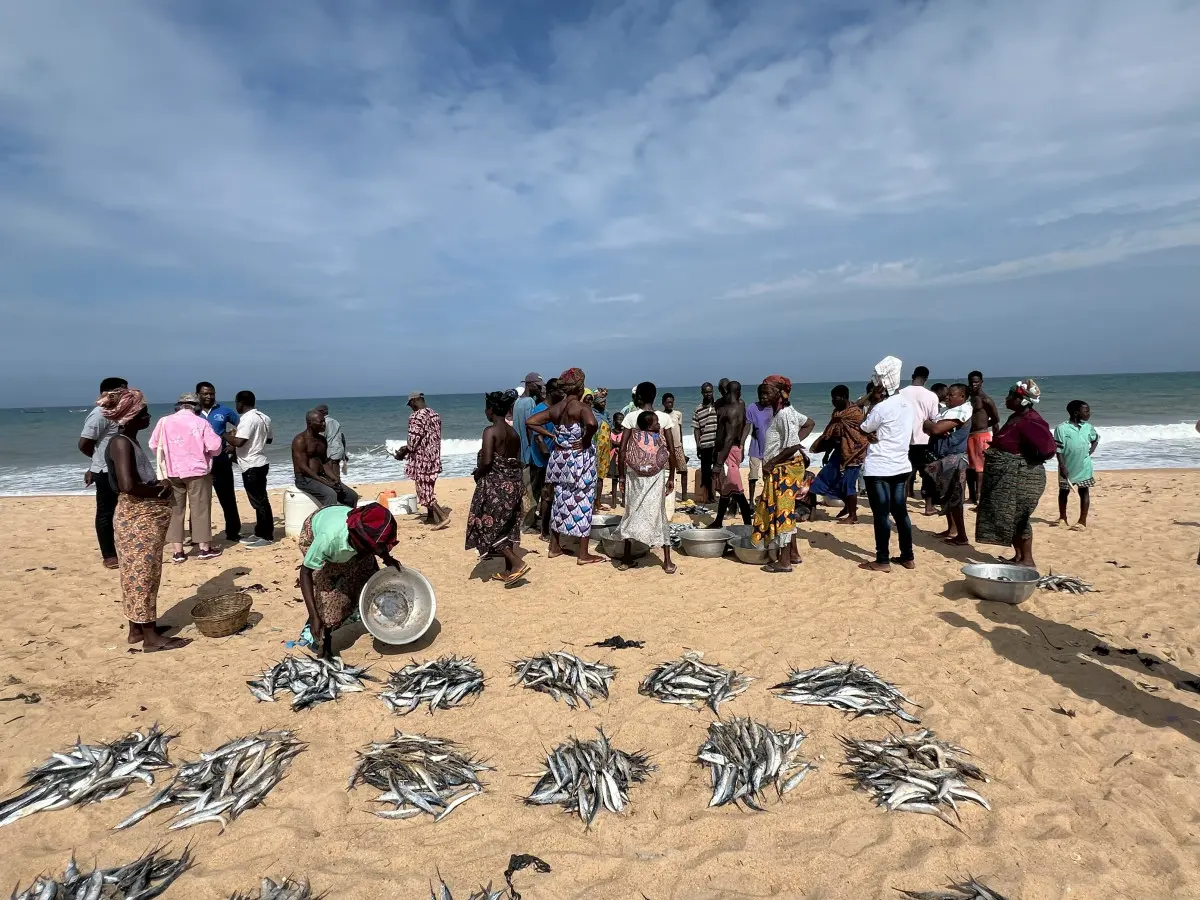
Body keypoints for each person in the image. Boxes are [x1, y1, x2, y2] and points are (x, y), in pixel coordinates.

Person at [98, 387, 191, 652]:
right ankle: (151, 638)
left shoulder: (128, 441)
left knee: (135, 573)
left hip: (137, 517)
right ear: (131, 416)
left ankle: (137, 629)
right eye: (144, 413)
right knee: (143, 575)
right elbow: (128, 485)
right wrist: (160, 489)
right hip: (137, 518)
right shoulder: (121, 443)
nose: (148, 417)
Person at [299, 502, 402, 659]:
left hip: (342, 519)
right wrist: (314, 615)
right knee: (329, 597)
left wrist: (387, 558)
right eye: (372, 549)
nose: (375, 552)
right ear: (359, 542)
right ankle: (325, 645)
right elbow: (305, 572)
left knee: (370, 576)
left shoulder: (367, 534)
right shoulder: (327, 541)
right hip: (317, 529)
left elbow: (378, 544)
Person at [976, 379, 1057, 569]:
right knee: (1008, 516)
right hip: (1010, 475)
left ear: (1021, 399)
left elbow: (1047, 449)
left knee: (1020, 517)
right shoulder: (1017, 417)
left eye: (1010, 395)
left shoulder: (1031, 421)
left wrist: (1019, 459)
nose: (1006, 398)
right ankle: (1018, 556)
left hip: (1022, 476)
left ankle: (1027, 560)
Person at [526, 368, 603, 565]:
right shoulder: (580, 407)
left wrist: (553, 435)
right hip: (578, 459)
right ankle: (583, 554)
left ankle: (554, 547)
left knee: (560, 500)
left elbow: (531, 421)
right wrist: (585, 440)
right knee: (584, 501)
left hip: (559, 459)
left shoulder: (556, 408)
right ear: (580, 387)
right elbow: (592, 424)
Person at [858, 357, 917, 573]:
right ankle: (908, 556)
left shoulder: (881, 407)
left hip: (879, 467)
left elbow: (864, 427)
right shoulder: (907, 405)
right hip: (901, 465)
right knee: (901, 513)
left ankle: (882, 560)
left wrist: (872, 402)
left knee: (881, 514)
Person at [150, 393, 224, 563]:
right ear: (196, 407)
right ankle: (204, 548)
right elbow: (215, 447)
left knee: (176, 511)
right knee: (200, 510)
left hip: (172, 472)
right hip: (197, 472)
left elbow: (153, 445)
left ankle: (178, 552)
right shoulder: (201, 422)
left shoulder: (164, 421)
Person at [752, 375, 814, 573]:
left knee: (783, 512)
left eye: (767, 392)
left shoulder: (784, 415)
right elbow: (809, 423)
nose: (763, 396)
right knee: (786, 509)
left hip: (784, 469)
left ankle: (784, 561)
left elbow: (792, 445)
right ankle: (793, 553)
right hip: (785, 467)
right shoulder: (788, 411)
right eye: (761, 393)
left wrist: (771, 462)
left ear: (779, 393)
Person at [466, 390, 528, 584]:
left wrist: (477, 474)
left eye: (486, 408)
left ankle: (517, 563)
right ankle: (509, 570)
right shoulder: (514, 433)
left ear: (491, 410)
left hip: (496, 488)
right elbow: (515, 461)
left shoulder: (490, 431)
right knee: (506, 526)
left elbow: (487, 462)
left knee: (488, 526)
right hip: (514, 486)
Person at [616, 410, 677, 574]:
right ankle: (667, 562)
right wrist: (671, 476)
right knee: (659, 515)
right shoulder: (658, 438)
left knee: (631, 513)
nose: (659, 425)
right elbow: (669, 453)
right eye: (656, 423)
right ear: (650, 426)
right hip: (655, 480)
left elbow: (622, 452)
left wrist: (621, 478)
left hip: (634, 479)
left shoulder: (634, 434)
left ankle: (626, 558)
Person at [80, 376, 127, 569]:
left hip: (122, 469)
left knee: (124, 510)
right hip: (105, 471)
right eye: (121, 391)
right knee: (106, 513)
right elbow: (84, 444)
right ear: (107, 393)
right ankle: (109, 554)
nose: (125, 394)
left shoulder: (120, 412)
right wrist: (97, 462)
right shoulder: (100, 414)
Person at [806, 385, 869, 524]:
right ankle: (848, 506)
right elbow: (832, 435)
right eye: (832, 399)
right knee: (825, 478)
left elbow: (863, 435)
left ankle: (853, 516)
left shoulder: (856, 414)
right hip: (839, 452)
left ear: (845, 397)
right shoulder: (837, 414)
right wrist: (827, 453)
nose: (833, 401)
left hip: (854, 453)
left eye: (836, 398)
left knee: (848, 484)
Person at [922, 383, 974, 545]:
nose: (947, 397)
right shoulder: (947, 411)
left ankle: (962, 535)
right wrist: (932, 425)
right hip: (945, 458)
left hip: (955, 459)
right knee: (946, 495)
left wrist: (932, 425)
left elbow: (934, 429)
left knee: (955, 498)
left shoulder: (962, 412)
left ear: (962, 397)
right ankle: (952, 529)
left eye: (952, 395)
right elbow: (928, 427)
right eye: (948, 394)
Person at [225, 390, 274, 546]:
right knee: (261, 499)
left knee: (259, 502)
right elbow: (269, 440)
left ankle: (266, 536)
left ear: (241, 403)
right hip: (261, 461)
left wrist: (223, 434)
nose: (236, 406)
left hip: (252, 465)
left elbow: (239, 442)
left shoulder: (247, 419)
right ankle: (260, 532)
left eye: (236, 403)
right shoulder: (264, 417)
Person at [395, 392, 450, 528]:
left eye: (410, 404)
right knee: (429, 486)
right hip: (434, 457)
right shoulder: (434, 414)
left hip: (422, 460)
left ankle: (442, 517)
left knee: (423, 490)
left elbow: (413, 441)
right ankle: (430, 516)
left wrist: (402, 452)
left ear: (414, 401)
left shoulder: (416, 416)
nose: (410, 407)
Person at [196, 382, 242, 544]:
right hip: (199, 463)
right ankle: (197, 535)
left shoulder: (224, 410)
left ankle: (233, 532)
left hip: (221, 461)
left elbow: (243, 426)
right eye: (205, 394)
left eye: (212, 393)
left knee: (227, 498)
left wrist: (233, 445)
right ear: (198, 395)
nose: (209, 396)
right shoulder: (193, 412)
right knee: (198, 501)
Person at [293, 410, 359, 508]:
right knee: (330, 494)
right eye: (321, 422)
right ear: (310, 423)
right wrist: (325, 482)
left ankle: (348, 516)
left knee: (351, 496)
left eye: (324, 421)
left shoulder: (322, 440)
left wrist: (335, 478)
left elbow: (324, 463)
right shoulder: (300, 440)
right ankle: (327, 517)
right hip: (304, 479)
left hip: (320, 476)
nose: (324, 424)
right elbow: (303, 467)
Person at [898, 366, 940, 514]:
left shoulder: (900, 393)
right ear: (926, 378)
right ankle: (928, 506)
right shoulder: (931, 396)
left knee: (905, 475)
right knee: (928, 473)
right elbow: (934, 419)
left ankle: (901, 506)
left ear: (912, 376)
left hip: (904, 439)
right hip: (924, 438)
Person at [712, 381, 754, 528]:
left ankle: (748, 525)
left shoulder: (734, 410)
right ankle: (718, 521)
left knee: (737, 490)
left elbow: (729, 439)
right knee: (726, 490)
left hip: (729, 451)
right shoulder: (734, 405)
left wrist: (718, 464)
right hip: (726, 450)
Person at [1054, 400, 1100, 531]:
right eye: (1086, 411)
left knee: (1084, 491)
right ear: (1076, 413)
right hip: (1067, 466)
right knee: (1064, 492)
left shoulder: (1088, 427)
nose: (1089, 413)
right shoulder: (1062, 428)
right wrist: (1062, 466)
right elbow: (1059, 450)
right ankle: (1062, 518)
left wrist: (1090, 451)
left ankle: (1082, 521)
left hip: (1084, 466)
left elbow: (1095, 439)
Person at [512, 373, 544, 529]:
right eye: (537, 386)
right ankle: (527, 524)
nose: (539, 389)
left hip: (520, 451)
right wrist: (538, 450)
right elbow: (531, 427)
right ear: (529, 384)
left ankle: (527, 520)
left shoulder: (518, 402)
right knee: (531, 490)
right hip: (528, 452)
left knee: (525, 488)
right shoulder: (530, 402)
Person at [966, 371, 1001, 505]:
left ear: (981, 382)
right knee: (969, 467)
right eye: (971, 382)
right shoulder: (969, 398)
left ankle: (979, 496)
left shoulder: (986, 399)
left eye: (976, 382)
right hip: (970, 435)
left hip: (981, 435)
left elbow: (996, 419)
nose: (974, 384)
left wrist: (985, 426)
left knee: (980, 468)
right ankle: (971, 496)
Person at [745, 384, 774, 504]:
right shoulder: (752, 407)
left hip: (771, 448)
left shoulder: (775, 408)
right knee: (753, 476)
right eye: (761, 396)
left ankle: (766, 499)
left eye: (766, 395)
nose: (763, 398)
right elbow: (747, 426)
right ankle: (751, 502)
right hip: (755, 446)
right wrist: (741, 443)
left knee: (768, 476)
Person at [692, 383, 718, 502]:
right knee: (706, 472)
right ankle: (709, 496)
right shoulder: (698, 409)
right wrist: (698, 444)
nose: (708, 394)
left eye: (710, 392)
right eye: (706, 392)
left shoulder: (718, 406)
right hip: (705, 444)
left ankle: (720, 494)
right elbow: (696, 428)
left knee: (718, 470)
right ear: (702, 393)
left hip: (717, 444)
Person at [661, 393, 689, 502]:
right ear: (663, 403)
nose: (670, 404)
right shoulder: (661, 416)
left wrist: (682, 448)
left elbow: (680, 431)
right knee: (666, 471)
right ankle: (667, 495)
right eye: (668, 402)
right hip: (666, 447)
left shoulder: (678, 414)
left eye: (671, 402)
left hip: (677, 447)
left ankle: (684, 496)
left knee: (683, 471)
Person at [591, 389, 612, 509]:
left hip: (605, 450)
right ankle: (592, 502)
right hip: (594, 449)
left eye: (605, 402)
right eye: (601, 402)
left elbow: (610, 428)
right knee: (593, 476)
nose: (604, 404)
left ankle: (598, 502)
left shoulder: (606, 414)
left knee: (601, 476)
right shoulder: (591, 413)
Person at [315, 404, 347, 475]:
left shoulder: (323, 423)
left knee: (331, 473)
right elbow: (341, 437)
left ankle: (336, 482)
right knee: (336, 471)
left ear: (321, 412)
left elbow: (320, 438)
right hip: (338, 449)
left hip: (331, 452)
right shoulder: (335, 421)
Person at [608, 412, 625, 506]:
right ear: (614, 421)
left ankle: (623, 500)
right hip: (613, 458)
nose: (621, 421)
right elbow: (608, 444)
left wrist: (615, 443)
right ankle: (614, 501)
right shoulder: (610, 432)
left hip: (622, 459)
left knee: (623, 479)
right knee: (614, 480)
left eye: (623, 419)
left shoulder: (625, 432)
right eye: (619, 419)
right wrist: (615, 444)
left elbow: (625, 444)